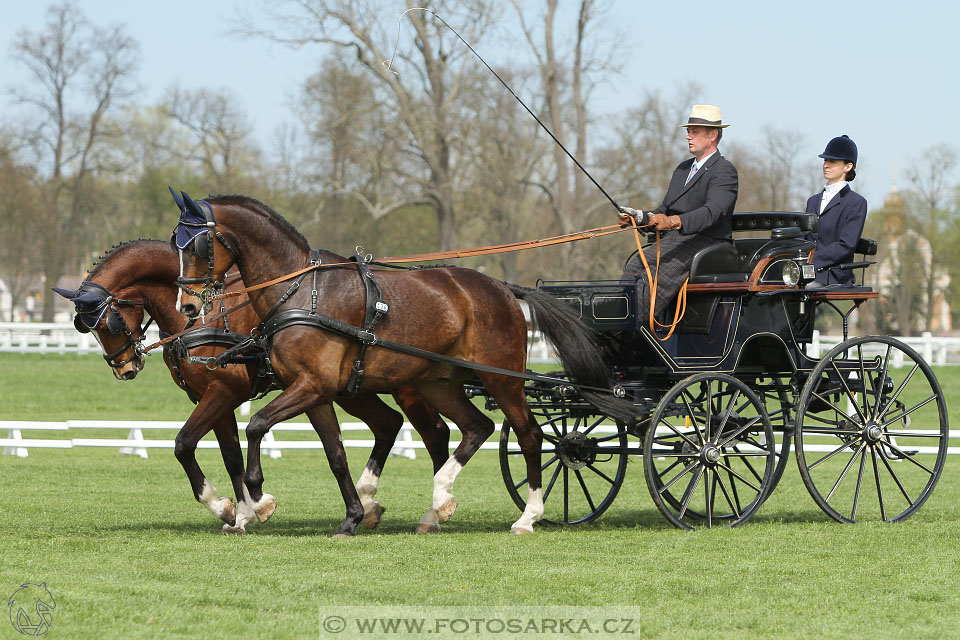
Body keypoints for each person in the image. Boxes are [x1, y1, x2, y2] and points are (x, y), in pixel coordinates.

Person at [618, 104, 739, 332]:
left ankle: (630, 330)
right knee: (635, 264)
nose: (688, 136)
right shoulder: (683, 169)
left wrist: (674, 222)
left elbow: (712, 212)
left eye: (694, 131)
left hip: (706, 241)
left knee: (655, 273)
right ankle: (621, 324)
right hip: (675, 241)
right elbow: (664, 209)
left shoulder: (724, 170)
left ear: (713, 135)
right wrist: (639, 216)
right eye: (689, 130)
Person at [804, 135, 867, 288]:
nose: (826, 165)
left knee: (793, 289)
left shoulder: (856, 203)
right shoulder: (813, 201)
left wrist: (812, 261)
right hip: (805, 270)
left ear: (848, 166)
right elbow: (804, 237)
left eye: (833, 161)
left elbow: (846, 245)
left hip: (833, 273)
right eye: (825, 160)